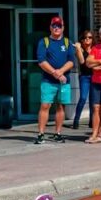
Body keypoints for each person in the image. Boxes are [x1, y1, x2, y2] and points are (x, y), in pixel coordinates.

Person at [35, 16, 73, 144]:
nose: (57, 28)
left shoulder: (67, 42)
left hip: (64, 81)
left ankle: (58, 133)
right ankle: (41, 133)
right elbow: (41, 61)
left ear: (63, 28)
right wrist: (55, 73)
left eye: (59, 26)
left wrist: (61, 72)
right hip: (48, 80)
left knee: (61, 107)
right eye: (54, 26)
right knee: (45, 105)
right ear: (50, 27)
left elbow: (71, 61)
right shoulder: (44, 42)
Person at [72, 30, 95, 130]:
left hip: (94, 76)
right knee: (83, 98)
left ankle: (91, 121)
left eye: (90, 37)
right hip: (84, 76)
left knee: (93, 100)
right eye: (85, 37)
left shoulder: (95, 49)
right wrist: (77, 48)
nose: (87, 39)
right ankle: (76, 120)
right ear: (82, 40)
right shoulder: (79, 49)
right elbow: (82, 61)